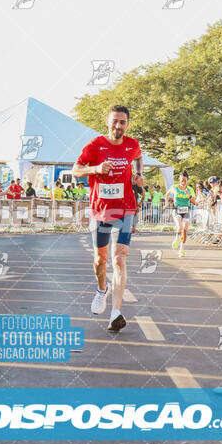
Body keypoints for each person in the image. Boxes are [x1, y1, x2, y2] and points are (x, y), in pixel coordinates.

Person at [72, 105, 143, 332]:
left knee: (119, 258)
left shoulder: (132, 144)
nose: (118, 126)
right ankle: (102, 289)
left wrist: (139, 175)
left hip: (125, 209)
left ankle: (116, 313)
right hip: (101, 210)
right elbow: (75, 169)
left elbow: (139, 158)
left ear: (127, 125)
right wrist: (96, 169)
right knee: (100, 259)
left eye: (122, 122)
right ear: (108, 121)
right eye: (115, 121)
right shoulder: (95, 145)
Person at [165, 170, 196, 258]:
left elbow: (194, 202)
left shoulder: (190, 189)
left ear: (187, 180)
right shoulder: (174, 187)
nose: (183, 182)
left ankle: (181, 249)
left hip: (186, 211)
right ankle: (176, 239)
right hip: (177, 210)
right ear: (179, 179)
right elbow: (167, 194)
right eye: (182, 180)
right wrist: (166, 203)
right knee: (180, 228)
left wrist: (189, 196)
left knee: (185, 230)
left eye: (185, 180)